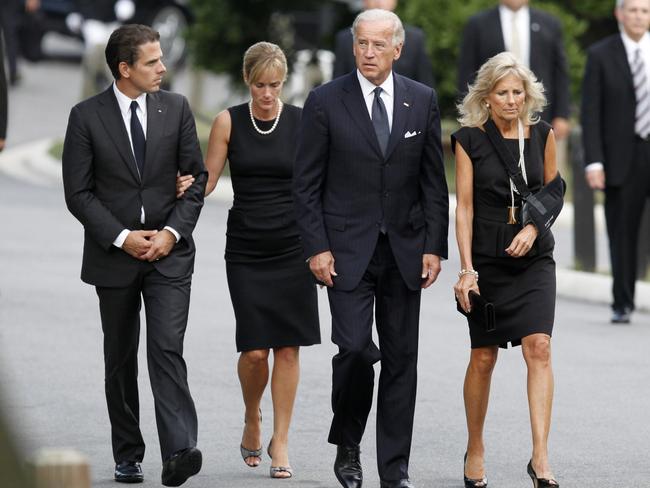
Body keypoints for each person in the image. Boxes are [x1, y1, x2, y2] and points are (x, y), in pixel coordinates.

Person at [294, 9, 449, 488]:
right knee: (356, 350)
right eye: (362, 43)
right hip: (345, 252)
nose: (368, 52)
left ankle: (394, 470)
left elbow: (433, 183)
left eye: (379, 45)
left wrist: (434, 247)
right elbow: (306, 184)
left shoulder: (421, 101)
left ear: (398, 50)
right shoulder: (324, 101)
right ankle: (348, 442)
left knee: (402, 360)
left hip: (404, 251)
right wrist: (317, 247)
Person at [62, 24, 206, 486]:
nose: (163, 68)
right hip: (115, 256)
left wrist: (170, 233)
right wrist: (123, 237)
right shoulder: (85, 117)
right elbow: (78, 194)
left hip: (169, 253)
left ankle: (180, 451)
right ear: (125, 69)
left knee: (166, 347)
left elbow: (196, 180)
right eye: (151, 62)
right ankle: (128, 453)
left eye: (161, 59)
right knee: (120, 357)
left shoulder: (178, 108)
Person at [177, 41, 321, 479]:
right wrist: (181, 190)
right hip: (247, 248)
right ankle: (252, 413)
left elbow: (315, 186)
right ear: (247, 81)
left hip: (293, 245)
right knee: (256, 351)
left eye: (275, 85)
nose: (267, 93)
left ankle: (281, 440)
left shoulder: (300, 122)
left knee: (289, 347)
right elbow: (208, 179)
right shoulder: (228, 122)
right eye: (260, 85)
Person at [452, 51, 560, 488]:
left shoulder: (543, 134)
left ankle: (540, 457)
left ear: (527, 94)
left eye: (518, 92)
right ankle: (475, 446)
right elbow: (464, 209)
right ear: (487, 96)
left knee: (540, 347)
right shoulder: (468, 140)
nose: (512, 100)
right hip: (489, 260)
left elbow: (555, 192)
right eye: (502, 92)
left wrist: (533, 230)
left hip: (534, 258)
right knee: (483, 357)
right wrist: (466, 270)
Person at [581, 0, 650, 324]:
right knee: (623, 232)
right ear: (619, 14)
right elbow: (591, 112)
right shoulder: (600, 55)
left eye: (645, 11)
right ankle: (622, 301)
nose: (639, 16)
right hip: (622, 157)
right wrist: (594, 162)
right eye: (633, 10)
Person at [457, 0, 570, 140]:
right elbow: (466, 72)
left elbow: (559, 73)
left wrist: (562, 115)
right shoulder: (477, 25)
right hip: (491, 121)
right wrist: (470, 113)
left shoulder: (550, 24)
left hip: (541, 117)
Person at [332, 0, 434, 87]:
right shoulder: (345, 38)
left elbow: (425, 83)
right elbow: (337, 84)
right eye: (363, 43)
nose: (379, 2)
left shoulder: (415, 38)